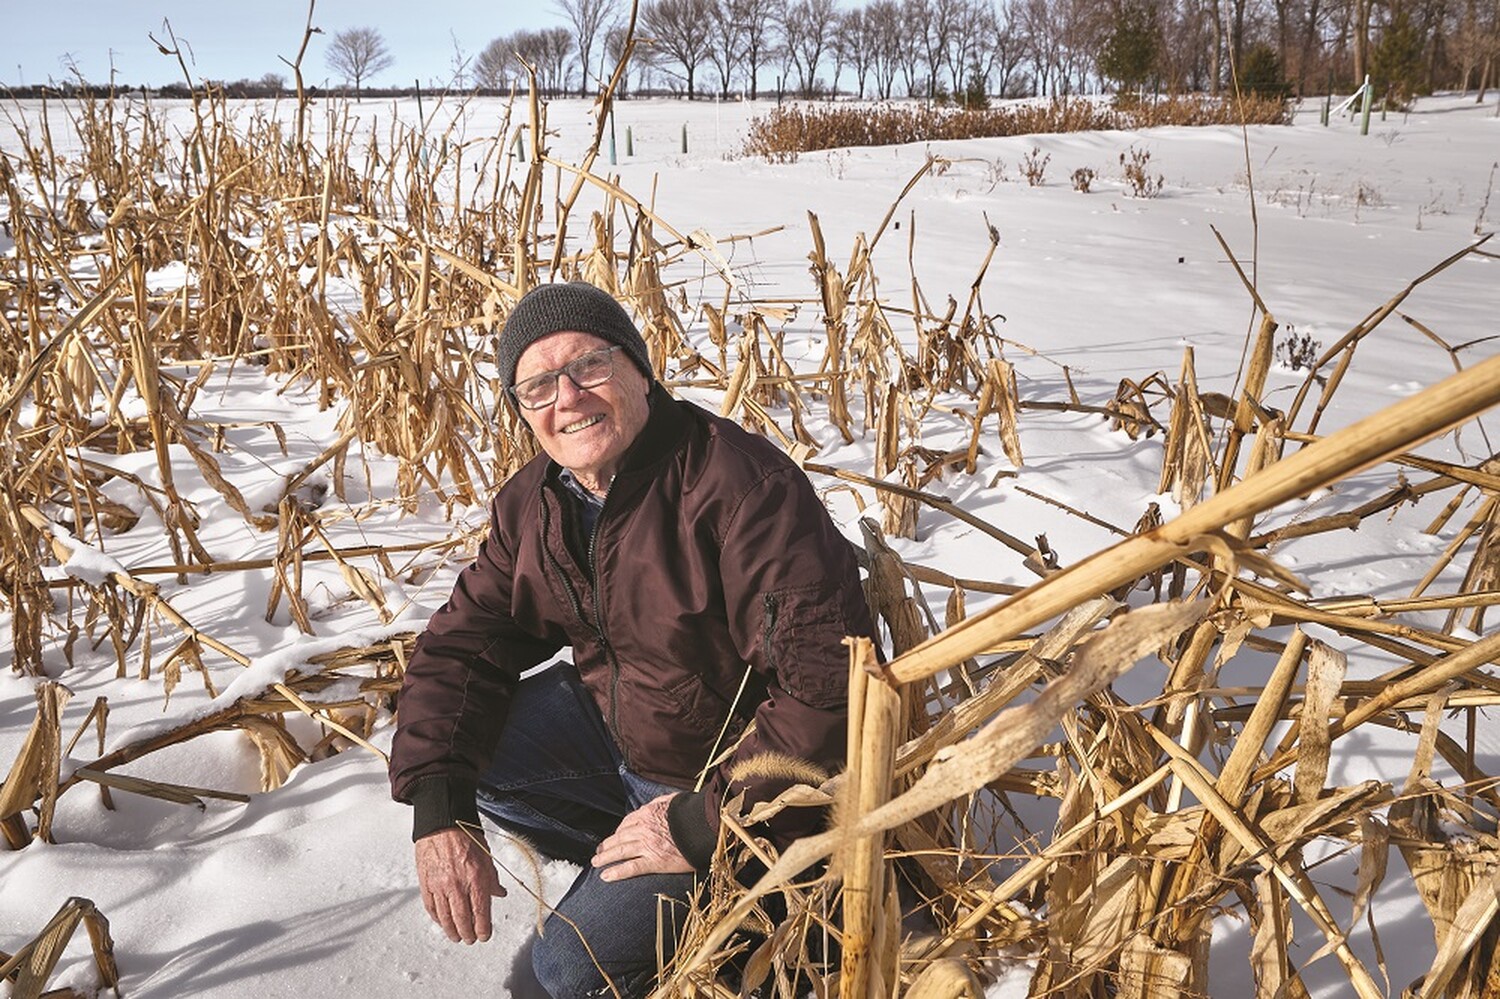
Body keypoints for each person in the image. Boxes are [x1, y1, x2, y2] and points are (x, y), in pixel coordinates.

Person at [389, 281, 876, 998]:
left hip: (736, 786)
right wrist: (438, 809)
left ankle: (747, 899)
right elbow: (463, 644)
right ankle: (637, 862)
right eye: (539, 385)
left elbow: (828, 691)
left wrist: (698, 824)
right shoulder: (540, 502)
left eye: (589, 365)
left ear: (639, 370)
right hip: (629, 737)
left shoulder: (742, 489)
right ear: (523, 411)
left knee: (568, 967)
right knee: (469, 752)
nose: (570, 398)